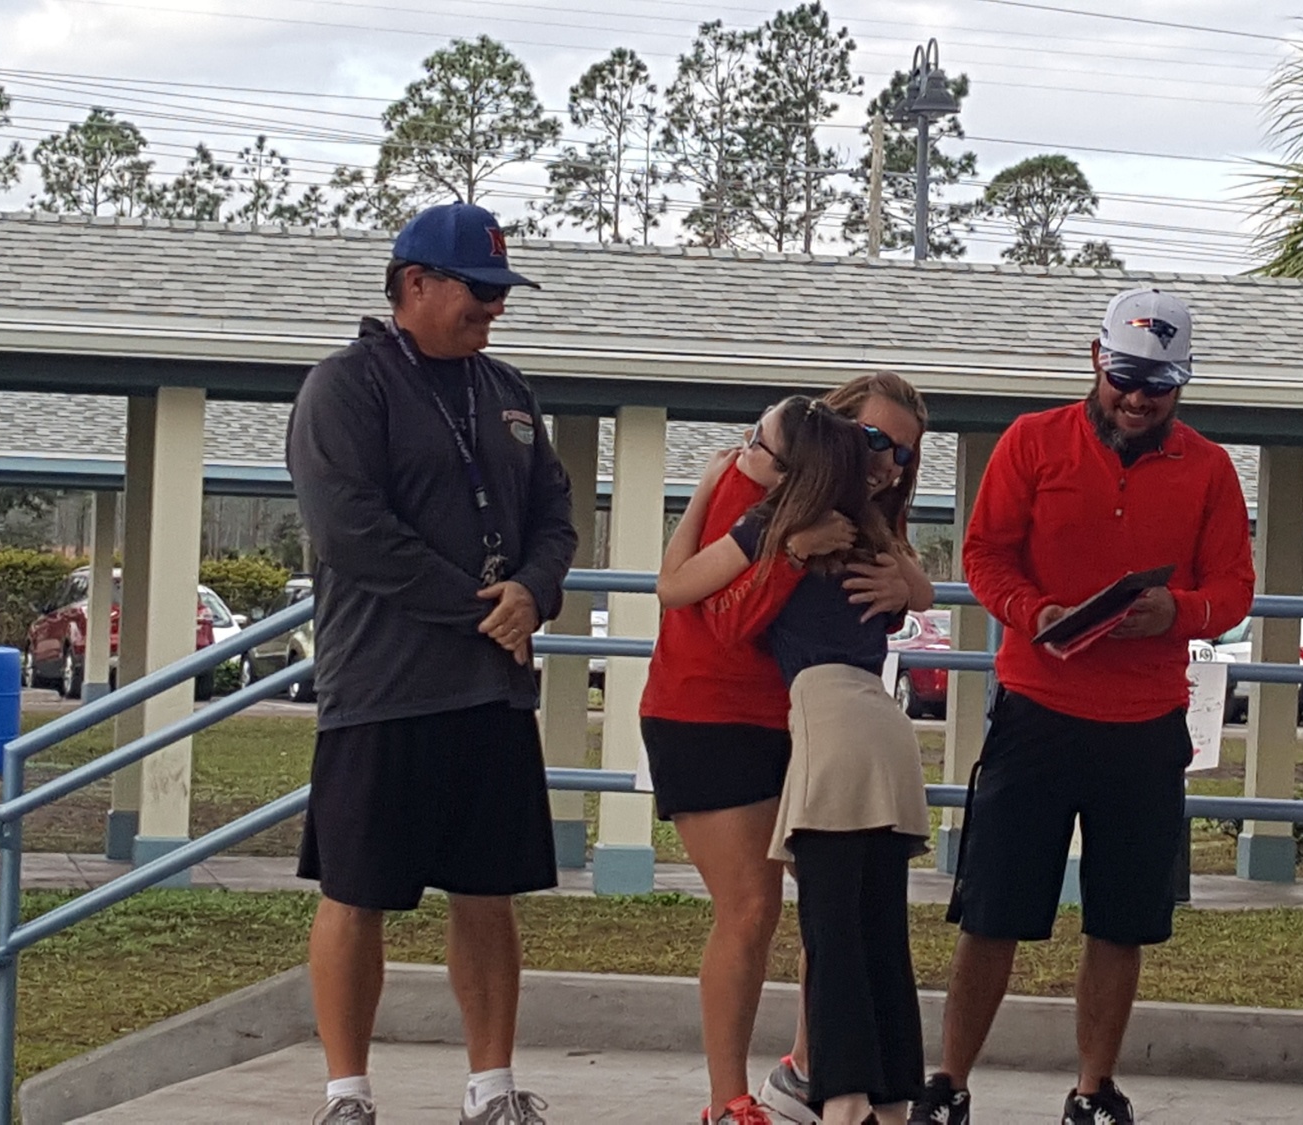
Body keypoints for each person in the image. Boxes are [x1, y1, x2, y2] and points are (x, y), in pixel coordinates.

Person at [911, 289, 1254, 1125]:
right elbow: (985, 554)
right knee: (992, 908)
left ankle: (1093, 1090)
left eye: (1160, 385)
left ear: (1184, 384)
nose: (1138, 400)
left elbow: (1234, 589)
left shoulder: (1209, 468)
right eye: (1127, 377)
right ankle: (950, 1083)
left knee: (1121, 919)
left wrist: (1178, 611)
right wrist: (1035, 613)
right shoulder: (1033, 442)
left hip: (1144, 725)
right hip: (1037, 708)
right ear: (1095, 358)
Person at [287, 202, 577, 1125]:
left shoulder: (510, 392)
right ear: (415, 284)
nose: (495, 310)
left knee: (487, 890)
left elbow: (557, 517)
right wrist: (478, 609)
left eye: (501, 294)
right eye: (479, 292)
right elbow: (351, 531)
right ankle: (348, 1094)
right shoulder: (346, 387)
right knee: (355, 890)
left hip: (489, 690)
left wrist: (532, 590)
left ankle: (491, 1088)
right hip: (383, 686)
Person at [641, 373, 933, 1125]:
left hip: (803, 721)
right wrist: (784, 548)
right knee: (751, 905)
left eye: (903, 452)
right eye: (873, 439)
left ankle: (814, 1071)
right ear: (831, 428)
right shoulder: (759, 480)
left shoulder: (856, 511)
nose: (887, 462)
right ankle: (727, 1100)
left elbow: (914, 585)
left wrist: (904, 583)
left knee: (832, 906)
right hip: (709, 713)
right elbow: (684, 594)